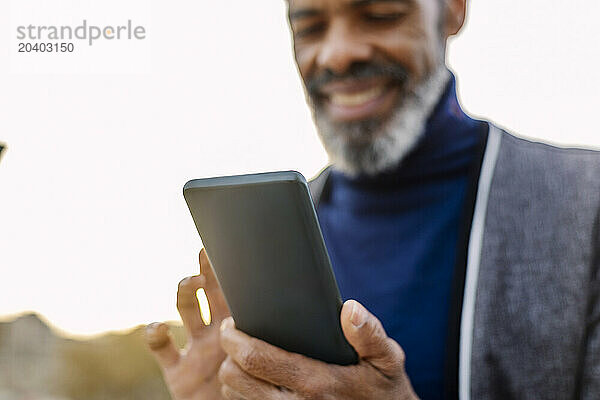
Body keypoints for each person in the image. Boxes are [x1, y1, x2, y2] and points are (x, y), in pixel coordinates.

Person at [145, 0, 600, 399]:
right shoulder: (280, 234)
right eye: (309, 27)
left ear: (454, 8)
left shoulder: (586, 203)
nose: (339, 53)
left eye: (380, 14)